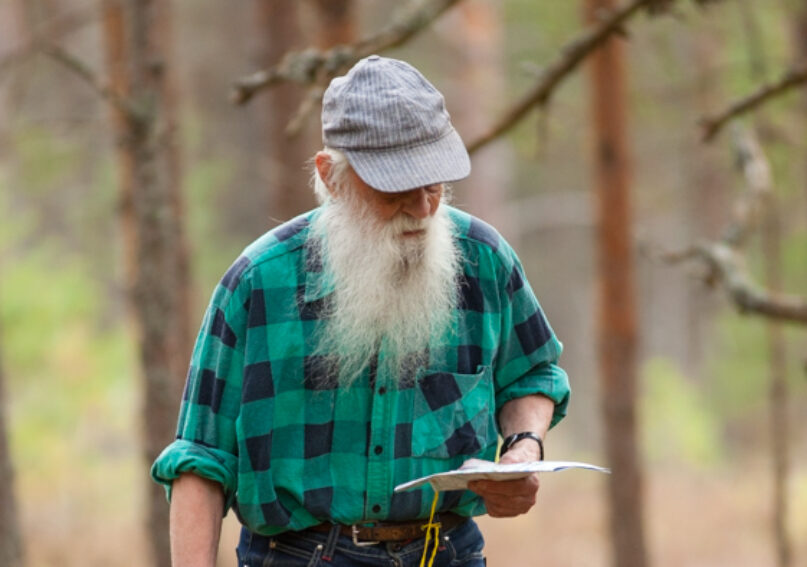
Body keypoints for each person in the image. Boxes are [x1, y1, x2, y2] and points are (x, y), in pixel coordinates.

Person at [152, 55, 570, 567]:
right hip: (298, 555)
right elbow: (202, 460)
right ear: (331, 177)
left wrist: (525, 448)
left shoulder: (484, 259)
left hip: (447, 551)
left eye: (433, 184)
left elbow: (532, 372)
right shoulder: (257, 283)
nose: (422, 208)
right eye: (395, 188)